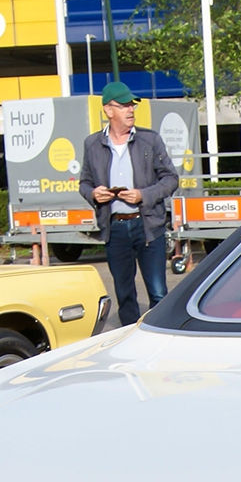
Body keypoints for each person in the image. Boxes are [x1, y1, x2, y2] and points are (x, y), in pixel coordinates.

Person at [80, 81, 180, 326]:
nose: (130, 110)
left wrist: (143, 195)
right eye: (124, 105)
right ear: (108, 110)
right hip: (115, 228)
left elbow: (171, 179)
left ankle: (161, 340)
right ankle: (129, 343)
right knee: (124, 295)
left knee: (158, 293)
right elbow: (84, 183)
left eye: (131, 105)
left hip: (147, 226)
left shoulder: (150, 140)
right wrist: (94, 194)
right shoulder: (92, 144)